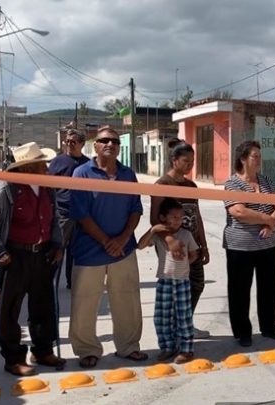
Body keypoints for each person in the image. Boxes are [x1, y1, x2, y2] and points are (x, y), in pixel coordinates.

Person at [0, 142, 65, 376]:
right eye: (41, 164)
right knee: (10, 310)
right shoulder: (7, 188)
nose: (47, 168)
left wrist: (57, 244)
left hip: (43, 254)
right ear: (28, 168)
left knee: (43, 306)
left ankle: (43, 350)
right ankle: (13, 359)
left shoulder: (47, 187)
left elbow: (55, 218)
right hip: (15, 257)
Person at [69, 126, 146, 368]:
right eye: (104, 141)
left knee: (127, 301)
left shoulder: (128, 174)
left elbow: (136, 209)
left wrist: (122, 239)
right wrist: (106, 241)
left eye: (114, 141)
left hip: (123, 250)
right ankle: (87, 350)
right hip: (89, 251)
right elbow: (80, 213)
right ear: (95, 145)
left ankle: (128, 346)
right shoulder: (81, 173)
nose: (110, 144)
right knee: (84, 303)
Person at [223, 140, 275, 347]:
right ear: (243, 159)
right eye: (254, 156)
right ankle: (242, 332)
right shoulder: (232, 183)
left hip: (268, 244)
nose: (259, 159)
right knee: (240, 290)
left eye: (260, 156)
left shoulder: (266, 181)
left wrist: (271, 225)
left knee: (268, 288)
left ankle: (269, 326)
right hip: (240, 246)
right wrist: (268, 219)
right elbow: (239, 211)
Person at [150, 139, 211, 339]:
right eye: (186, 161)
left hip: (192, 245)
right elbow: (154, 219)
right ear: (174, 160)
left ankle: (185, 323)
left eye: (192, 161)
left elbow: (197, 216)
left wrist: (203, 245)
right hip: (172, 246)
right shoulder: (162, 185)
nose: (190, 165)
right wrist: (169, 241)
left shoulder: (191, 186)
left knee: (197, 284)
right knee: (177, 288)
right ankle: (175, 329)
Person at [138, 198, 198, 364]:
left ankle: (186, 349)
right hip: (164, 281)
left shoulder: (186, 234)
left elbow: (193, 254)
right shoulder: (159, 236)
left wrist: (184, 265)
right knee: (162, 318)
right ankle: (167, 347)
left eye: (181, 217)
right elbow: (140, 245)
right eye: (174, 217)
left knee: (183, 317)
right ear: (163, 217)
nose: (178, 220)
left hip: (182, 282)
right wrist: (152, 230)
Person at [48, 128, 90, 290]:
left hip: (82, 215)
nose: (69, 144)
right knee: (58, 248)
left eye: (73, 142)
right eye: (67, 141)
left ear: (82, 144)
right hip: (63, 214)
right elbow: (49, 187)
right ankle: (50, 281)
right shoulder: (57, 162)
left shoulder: (88, 164)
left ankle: (73, 282)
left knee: (77, 250)